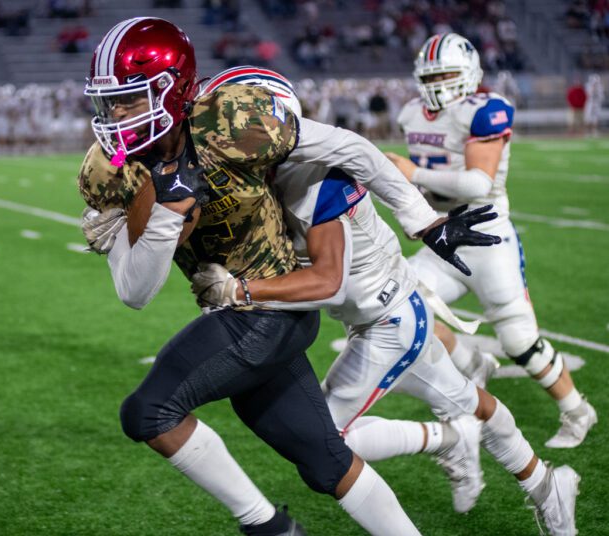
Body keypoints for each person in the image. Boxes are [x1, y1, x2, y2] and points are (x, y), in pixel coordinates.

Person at [73, 17, 487, 536]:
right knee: (326, 463)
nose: (115, 115)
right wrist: (162, 218)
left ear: (172, 89)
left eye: (130, 99)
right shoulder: (111, 167)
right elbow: (135, 292)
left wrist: (421, 218)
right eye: (108, 102)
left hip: (269, 305)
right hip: (240, 313)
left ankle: (267, 527)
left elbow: (351, 148)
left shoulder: (230, 120)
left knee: (148, 412)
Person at [194, 66, 579, 536]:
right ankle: (548, 486)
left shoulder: (314, 174)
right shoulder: (269, 169)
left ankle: (445, 438)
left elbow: (329, 282)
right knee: (468, 400)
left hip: (389, 320)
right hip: (384, 310)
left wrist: (238, 290)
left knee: (323, 442)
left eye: (234, 130)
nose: (224, 144)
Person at [384, 33, 596, 450]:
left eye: (446, 74)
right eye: (431, 76)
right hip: (443, 233)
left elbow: (478, 183)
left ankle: (576, 410)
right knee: (398, 308)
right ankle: (471, 362)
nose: (437, 83)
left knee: (518, 340)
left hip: (487, 235)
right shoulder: (412, 113)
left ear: (468, 74)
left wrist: (413, 174)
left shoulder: (485, 109)